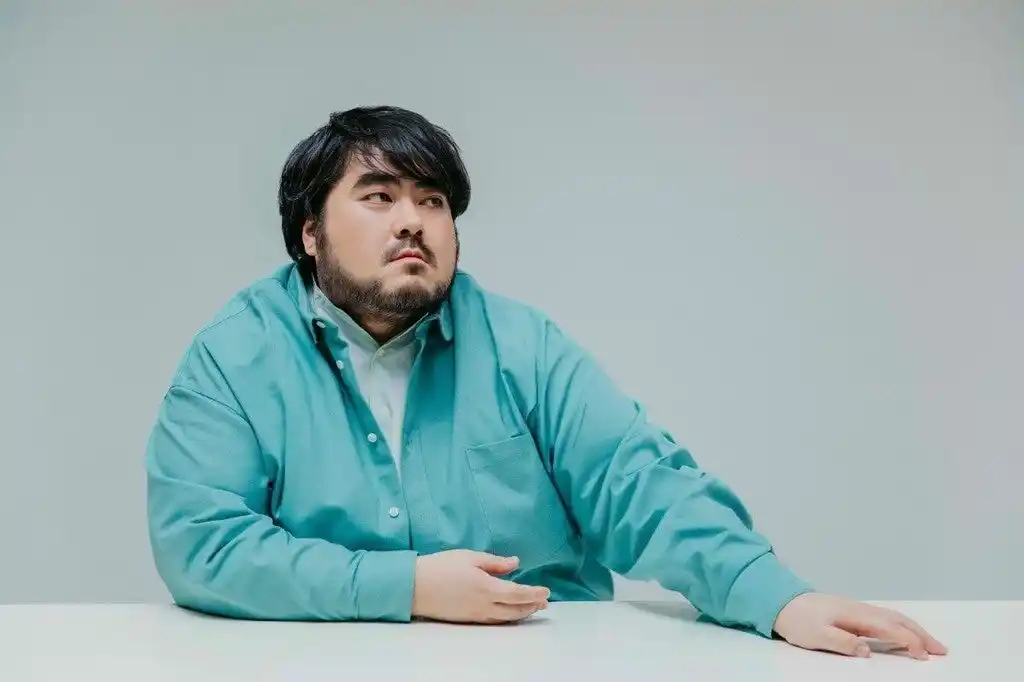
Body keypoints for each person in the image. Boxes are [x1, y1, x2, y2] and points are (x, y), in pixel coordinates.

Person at [145, 105, 947, 660]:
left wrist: (777, 599)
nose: (413, 220)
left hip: (542, 659)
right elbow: (200, 545)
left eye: (432, 200)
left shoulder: (521, 345)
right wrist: (407, 587)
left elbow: (639, 484)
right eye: (379, 197)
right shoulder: (234, 355)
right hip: (315, 663)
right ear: (310, 233)